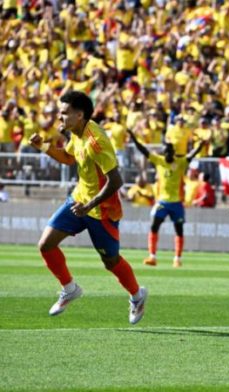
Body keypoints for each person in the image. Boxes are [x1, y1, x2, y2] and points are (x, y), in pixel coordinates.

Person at [29, 91, 148, 324]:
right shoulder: (77, 132)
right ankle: (70, 288)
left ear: (80, 115)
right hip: (78, 199)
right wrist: (43, 146)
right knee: (46, 245)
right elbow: (68, 157)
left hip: (102, 210)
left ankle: (137, 295)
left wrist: (90, 205)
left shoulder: (96, 141)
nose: (60, 117)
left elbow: (116, 181)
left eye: (64, 113)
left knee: (110, 261)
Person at [127, 128, 204, 268]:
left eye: (170, 152)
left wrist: (200, 145)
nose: (168, 154)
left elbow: (192, 155)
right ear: (163, 153)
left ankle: (177, 258)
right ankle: (152, 257)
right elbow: (143, 150)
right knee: (154, 226)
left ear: (174, 153)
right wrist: (133, 137)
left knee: (179, 229)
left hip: (176, 203)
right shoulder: (159, 160)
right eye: (166, 152)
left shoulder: (180, 162)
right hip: (162, 202)